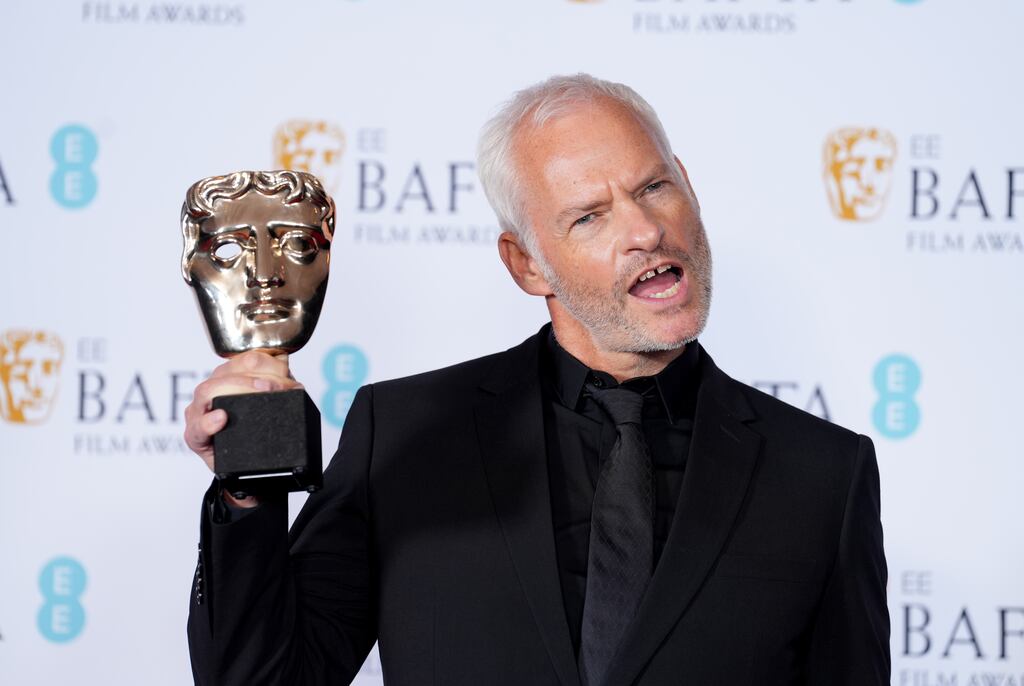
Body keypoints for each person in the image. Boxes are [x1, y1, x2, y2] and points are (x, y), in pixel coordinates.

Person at [185, 74, 890, 685]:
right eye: (590, 216)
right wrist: (248, 486)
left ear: (689, 186)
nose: (645, 230)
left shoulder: (823, 473)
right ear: (526, 265)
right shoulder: (404, 436)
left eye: (654, 187)